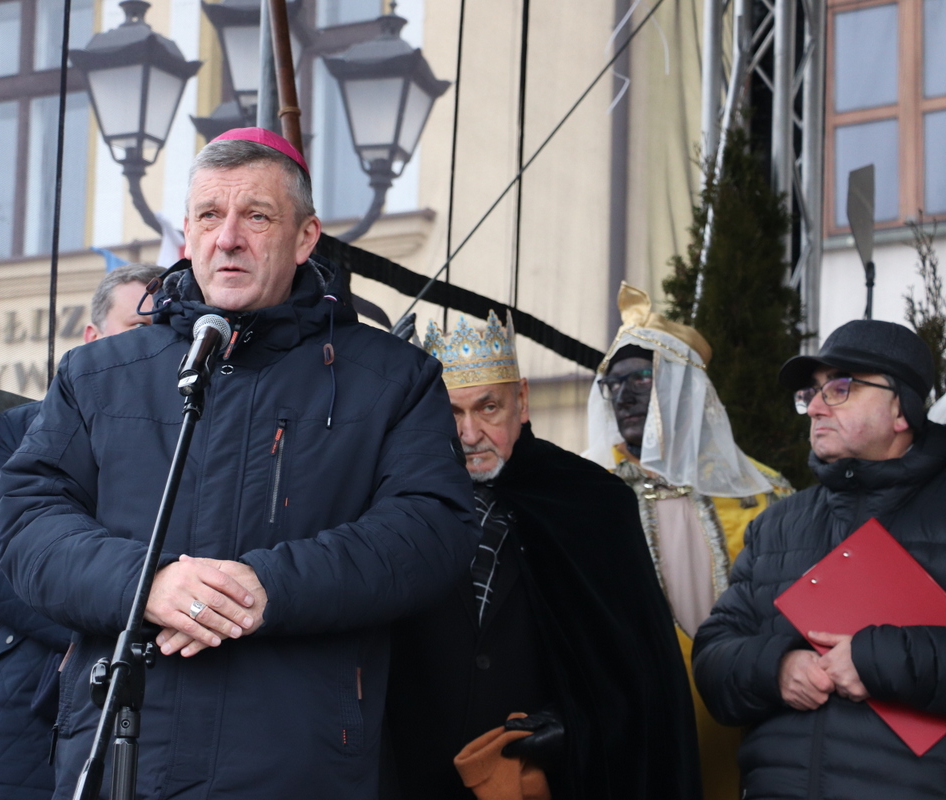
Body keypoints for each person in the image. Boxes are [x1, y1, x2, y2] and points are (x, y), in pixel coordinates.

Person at [0, 127, 478, 800]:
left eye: (257, 216)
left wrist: (269, 587)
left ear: (305, 238)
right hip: (123, 757)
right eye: (209, 216)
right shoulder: (97, 374)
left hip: (300, 762)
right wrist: (147, 584)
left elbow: (431, 529)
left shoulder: (393, 379)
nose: (228, 239)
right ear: (186, 235)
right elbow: (27, 520)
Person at [385, 311, 701, 800]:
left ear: (523, 401)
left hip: (543, 781)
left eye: (489, 408)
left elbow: (638, 675)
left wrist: (574, 724)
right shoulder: (398, 498)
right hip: (409, 778)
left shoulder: (592, 502)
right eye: (452, 413)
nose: (469, 434)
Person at [694, 319, 946, 799]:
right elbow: (712, 660)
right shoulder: (776, 525)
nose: (813, 407)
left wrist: (880, 660)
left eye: (840, 388)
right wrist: (776, 668)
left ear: (902, 409)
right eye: (811, 392)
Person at [0, 263, 164, 800]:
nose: (154, 343)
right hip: (25, 691)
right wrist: (99, 627)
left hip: (140, 685)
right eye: (138, 328)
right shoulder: (26, 424)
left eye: (165, 330)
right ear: (91, 337)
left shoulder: (192, 430)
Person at [584, 283, 791, 800]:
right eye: (613, 384)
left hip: (751, 729)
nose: (625, 396)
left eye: (642, 378)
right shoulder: (588, 497)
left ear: (684, 389)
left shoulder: (763, 495)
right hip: (635, 730)